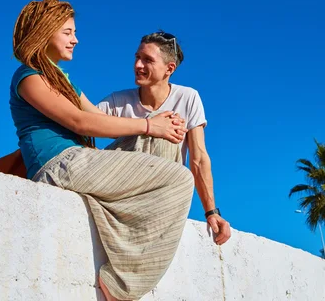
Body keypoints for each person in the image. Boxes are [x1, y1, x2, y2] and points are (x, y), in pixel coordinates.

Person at [9, 0, 194, 301]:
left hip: (82, 161)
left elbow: (97, 117)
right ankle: (121, 286)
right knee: (179, 178)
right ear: (45, 31)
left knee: (160, 137)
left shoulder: (62, 79)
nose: (75, 39)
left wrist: (156, 123)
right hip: (59, 165)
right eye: (68, 32)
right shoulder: (28, 77)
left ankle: (130, 230)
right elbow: (79, 122)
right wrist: (149, 125)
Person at [97, 31, 231, 246]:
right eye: (137, 57)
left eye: (148, 60)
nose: (138, 65)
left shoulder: (187, 97)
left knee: (172, 126)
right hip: (120, 185)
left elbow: (198, 158)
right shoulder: (118, 100)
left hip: (158, 193)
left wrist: (211, 212)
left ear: (169, 69)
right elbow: (85, 125)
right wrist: (148, 126)